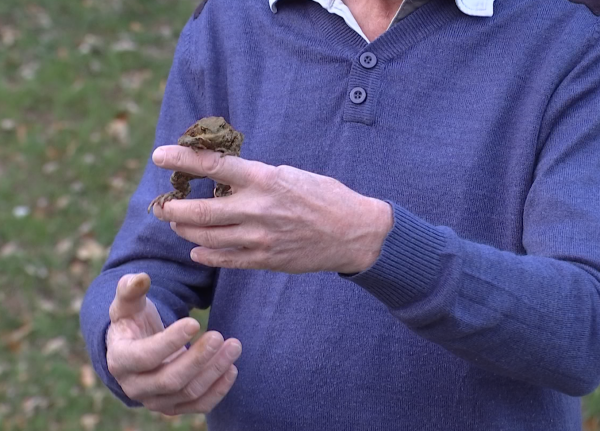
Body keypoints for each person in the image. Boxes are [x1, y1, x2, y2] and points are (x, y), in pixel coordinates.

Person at [80, 0, 600, 429]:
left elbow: (583, 329)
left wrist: (373, 243)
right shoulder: (229, 21)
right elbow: (152, 257)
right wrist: (121, 337)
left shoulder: (573, 38)